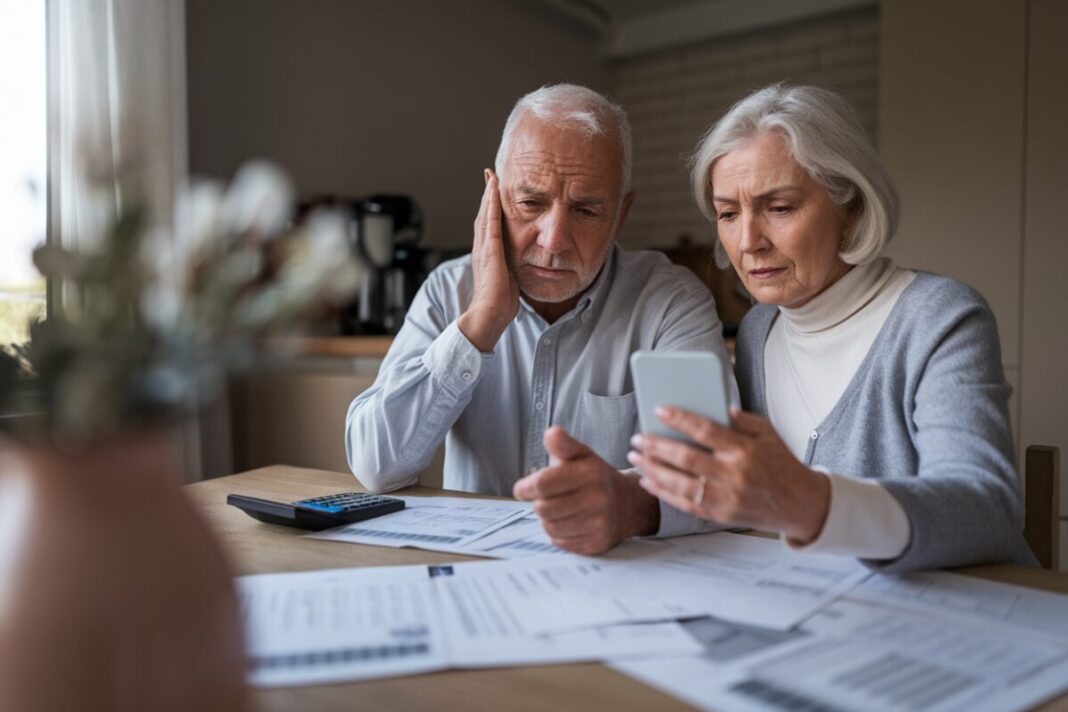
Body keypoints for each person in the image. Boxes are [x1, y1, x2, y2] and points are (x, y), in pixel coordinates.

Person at [629, 84, 1036, 572]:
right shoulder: (758, 331)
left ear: (853, 208)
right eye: (728, 214)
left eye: (779, 208)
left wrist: (809, 501)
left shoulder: (939, 317)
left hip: (972, 619)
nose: (748, 242)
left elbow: (984, 511)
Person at [346, 84, 736, 555]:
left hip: (613, 580)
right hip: (473, 575)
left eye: (587, 210)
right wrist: (481, 324)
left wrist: (629, 504)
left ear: (621, 215)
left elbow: (715, 479)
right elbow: (375, 465)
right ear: (492, 197)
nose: (553, 241)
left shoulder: (670, 303)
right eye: (530, 203)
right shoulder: (450, 291)